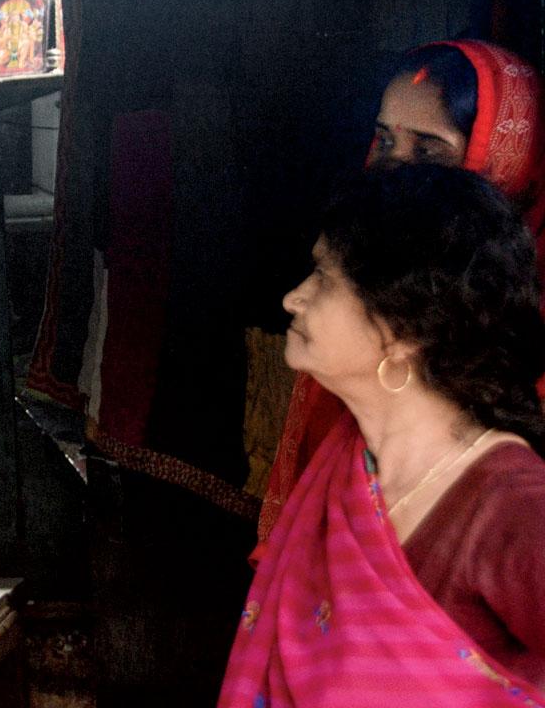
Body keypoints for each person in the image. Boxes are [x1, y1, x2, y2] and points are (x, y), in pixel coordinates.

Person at [219, 165, 545, 706]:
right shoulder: (350, 463)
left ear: (405, 329)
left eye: (323, 278)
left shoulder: (510, 506)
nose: (293, 298)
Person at [256, 39, 545, 554]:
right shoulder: (370, 284)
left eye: (429, 152)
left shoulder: (513, 503)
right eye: (386, 142)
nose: (396, 169)